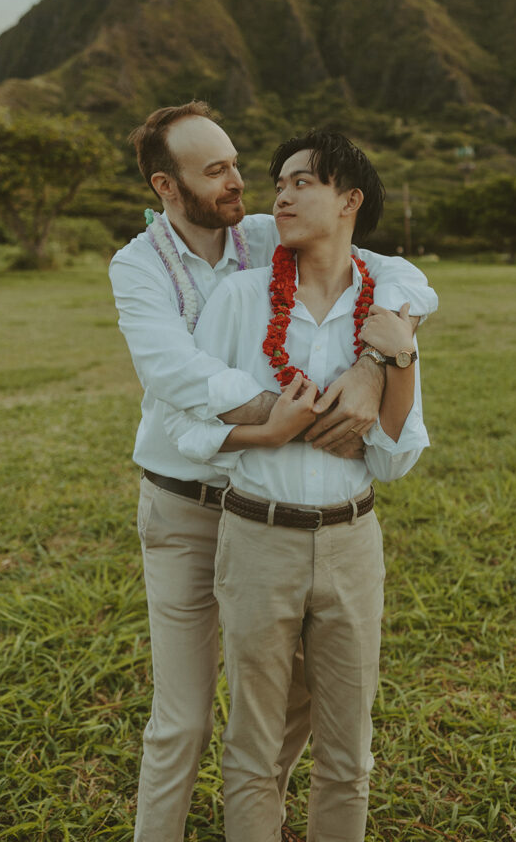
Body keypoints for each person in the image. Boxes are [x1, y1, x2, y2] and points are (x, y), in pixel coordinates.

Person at [108, 103, 438, 842]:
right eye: (215, 170)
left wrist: (375, 362)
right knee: (186, 719)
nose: (243, 185)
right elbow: (179, 382)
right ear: (167, 186)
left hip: (292, 515)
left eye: (236, 164)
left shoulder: (262, 231)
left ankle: (268, 818)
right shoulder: (143, 267)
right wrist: (286, 423)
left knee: (301, 710)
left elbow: (396, 275)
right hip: (190, 504)